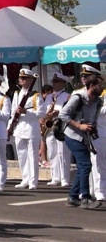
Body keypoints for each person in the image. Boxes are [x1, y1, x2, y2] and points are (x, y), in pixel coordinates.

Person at [60, 68, 104, 208]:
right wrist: (79, 126)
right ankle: (85, 197)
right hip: (72, 135)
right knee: (85, 165)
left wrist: (92, 129)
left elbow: (94, 118)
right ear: (91, 86)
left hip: (84, 136)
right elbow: (63, 115)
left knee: (82, 166)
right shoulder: (77, 97)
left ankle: (73, 197)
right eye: (99, 86)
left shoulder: (97, 101)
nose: (102, 88)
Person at [10, 69, 45, 190]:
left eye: (24, 78)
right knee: (22, 155)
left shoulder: (35, 95)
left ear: (31, 80)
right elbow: (13, 112)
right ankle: (25, 179)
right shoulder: (16, 94)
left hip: (31, 129)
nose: (21, 80)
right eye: (21, 78)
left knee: (33, 156)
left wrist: (26, 111)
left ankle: (33, 181)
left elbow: (41, 113)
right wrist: (10, 127)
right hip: (19, 128)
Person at [45, 72, 72, 186]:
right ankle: (55, 177)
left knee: (63, 153)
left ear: (63, 83)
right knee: (52, 152)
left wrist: (58, 112)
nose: (54, 84)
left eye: (57, 82)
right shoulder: (49, 96)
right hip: (50, 127)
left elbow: (70, 111)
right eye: (53, 82)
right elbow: (44, 109)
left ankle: (65, 178)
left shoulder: (68, 96)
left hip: (61, 126)